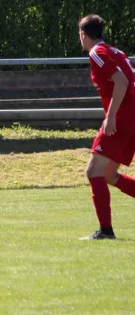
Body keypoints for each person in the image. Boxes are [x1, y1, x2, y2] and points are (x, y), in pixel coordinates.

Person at [79, 14, 135, 240]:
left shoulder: (97, 53)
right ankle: (105, 230)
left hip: (122, 120)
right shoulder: (116, 52)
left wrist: (111, 117)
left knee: (94, 171)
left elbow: (121, 82)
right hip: (131, 118)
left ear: (83, 34)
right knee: (110, 175)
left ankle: (106, 231)